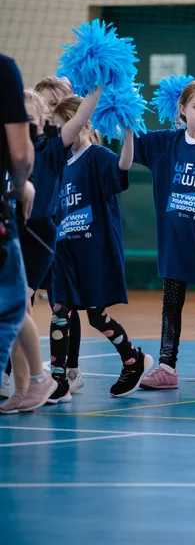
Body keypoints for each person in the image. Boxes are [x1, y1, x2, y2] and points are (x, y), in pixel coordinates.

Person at [0, 86, 102, 413]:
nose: (24, 125)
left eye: (31, 119)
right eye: (18, 119)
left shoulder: (52, 147)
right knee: (15, 313)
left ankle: (40, 378)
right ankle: (23, 386)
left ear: (44, 121)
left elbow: (82, 116)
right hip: (12, 231)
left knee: (15, 308)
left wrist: (97, 83)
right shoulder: (8, 151)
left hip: (39, 235)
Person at [47, 96, 153, 401]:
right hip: (65, 252)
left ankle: (133, 360)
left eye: (62, 126)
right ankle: (58, 379)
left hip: (94, 250)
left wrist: (129, 132)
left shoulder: (96, 156)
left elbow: (124, 165)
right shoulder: (59, 164)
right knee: (59, 312)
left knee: (95, 315)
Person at [133, 79, 195, 389]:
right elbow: (128, 137)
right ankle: (167, 367)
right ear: (182, 109)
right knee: (171, 301)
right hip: (174, 241)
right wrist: (116, 104)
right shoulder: (165, 142)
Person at [35, 75, 84, 393]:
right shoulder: (32, 142)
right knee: (20, 302)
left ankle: (70, 369)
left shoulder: (67, 147)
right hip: (31, 232)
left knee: (62, 304)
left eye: (55, 105)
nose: (48, 112)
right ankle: (17, 370)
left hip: (62, 233)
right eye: (44, 106)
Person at [0, 54, 34, 381]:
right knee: (11, 305)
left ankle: (32, 379)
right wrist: (20, 185)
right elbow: (21, 154)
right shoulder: (4, 69)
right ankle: (35, 379)